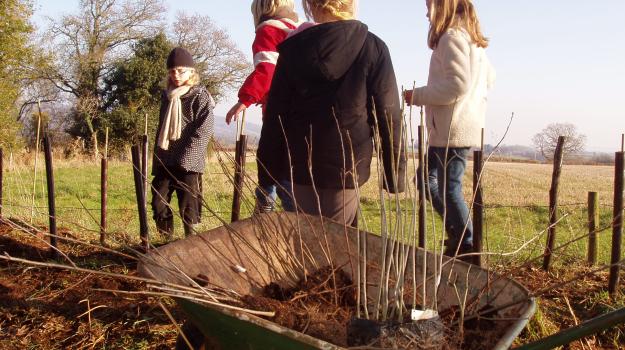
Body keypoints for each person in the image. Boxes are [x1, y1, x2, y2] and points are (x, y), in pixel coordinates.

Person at [257, 0, 406, 227]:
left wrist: (267, 170)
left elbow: (276, 114)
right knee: (340, 246)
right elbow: (388, 114)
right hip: (348, 164)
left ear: (311, 6)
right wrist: (394, 173)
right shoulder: (373, 47)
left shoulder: (293, 49)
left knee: (305, 244)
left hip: (301, 163)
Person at [404, 0, 496, 258]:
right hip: (453, 128)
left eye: (429, 5)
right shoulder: (472, 41)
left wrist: (418, 95)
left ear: (441, 7)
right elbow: (490, 78)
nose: (426, 12)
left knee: (449, 187)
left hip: (452, 130)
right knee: (427, 181)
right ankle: (459, 234)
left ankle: (466, 242)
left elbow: (457, 86)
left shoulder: (452, 38)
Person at [226, 0, 299, 214]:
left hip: (279, 114)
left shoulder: (269, 31)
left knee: (270, 162)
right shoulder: (298, 31)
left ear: (260, 10)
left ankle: (270, 207)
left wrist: (245, 99)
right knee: (290, 166)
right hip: (300, 112)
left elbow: (267, 69)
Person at [152, 47, 215, 238]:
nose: (176, 75)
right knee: (158, 201)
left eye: (181, 70)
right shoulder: (168, 96)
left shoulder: (200, 96)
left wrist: (186, 159)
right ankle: (166, 241)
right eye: (172, 71)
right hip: (166, 159)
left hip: (188, 162)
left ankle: (190, 242)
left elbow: (204, 130)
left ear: (191, 72)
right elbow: (162, 128)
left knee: (189, 205)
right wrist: (159, 156)